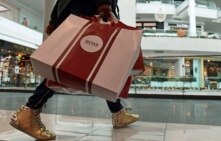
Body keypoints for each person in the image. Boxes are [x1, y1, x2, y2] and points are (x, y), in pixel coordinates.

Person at [9, 0, 139, 140]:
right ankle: (29, 110)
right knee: (72, 66)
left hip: (74, 9)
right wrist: (105, 3)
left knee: (90, 66)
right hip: (88, 8)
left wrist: (54, 20)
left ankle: (118, 111)